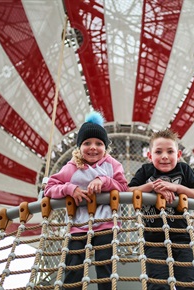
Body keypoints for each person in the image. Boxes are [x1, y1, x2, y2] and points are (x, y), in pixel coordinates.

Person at [44, 111, 128, 290]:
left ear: (105, 148)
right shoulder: (72, 168)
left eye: (99, 143)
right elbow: (49, 188)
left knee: (105, 267)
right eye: (87, 143)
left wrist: (103, 181)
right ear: (79, 147)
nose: (93, 147)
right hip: (76, 226)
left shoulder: (111, 165)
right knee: (73, 266)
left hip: (105, 223)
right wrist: (69, 188)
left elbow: (123, 187)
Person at [128, 128, 194, 290]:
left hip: (182, 238)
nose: (164, 156)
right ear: (150, 156)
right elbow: (128, 192)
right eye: (158, 152)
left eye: (170, 151)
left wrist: (175, 187)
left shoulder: (184, 170)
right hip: (153, 239)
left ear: (178, 155)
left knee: (189, 283)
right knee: (157, 284)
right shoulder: (146, 171)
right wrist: (152, 186)